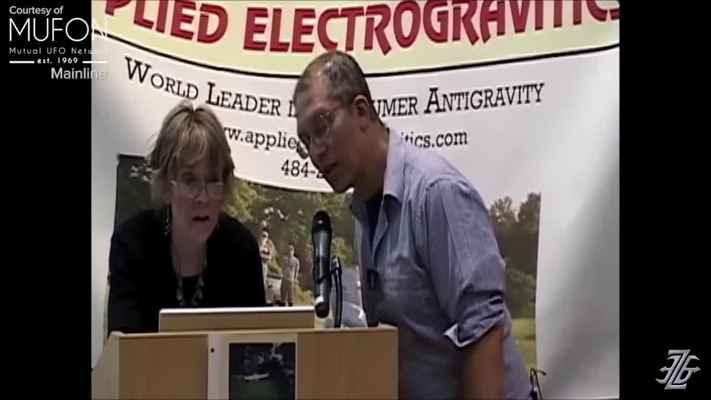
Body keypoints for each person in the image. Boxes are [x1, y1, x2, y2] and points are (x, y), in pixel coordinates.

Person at [292, 51, 531, 399]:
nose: (316, 151)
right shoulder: (364, 212)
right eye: (305, 141)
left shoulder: (436, 193)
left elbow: (483, 332)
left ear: (361, 111)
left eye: (322, 126)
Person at [107, 100, 266, 334]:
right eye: (190, 180)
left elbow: (255, 348)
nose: (203, 197)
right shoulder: (132, 243)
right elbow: (123, 347)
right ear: (166, 184)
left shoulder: (242, 250)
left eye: (213, 181)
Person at [259, 228, 277, 304]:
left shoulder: (268, 247)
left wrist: (261, 254)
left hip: (263, 266)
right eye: (263, 235)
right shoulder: (257, 243)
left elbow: (269, 257)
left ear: (267, 237)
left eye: (265, 236)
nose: (264, 237)